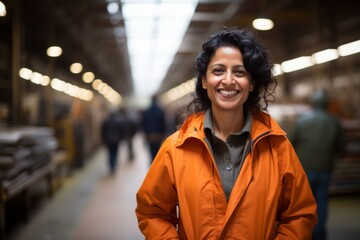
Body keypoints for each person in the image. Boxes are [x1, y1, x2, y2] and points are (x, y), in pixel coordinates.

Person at [135, 27, 317, 239]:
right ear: (204, 81)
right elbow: (151, 212)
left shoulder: (277, 147)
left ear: (251, 83)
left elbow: (299, 214)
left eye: (239, 72)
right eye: (218, 70)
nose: (229, 80)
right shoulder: (176, 148)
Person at [289, 90, 346, 240]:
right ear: (326, 104)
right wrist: (336, 155)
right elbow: (341, 146)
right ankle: (319, 234)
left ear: (313, 103)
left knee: (302, 203)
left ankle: (304, 232)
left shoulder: (302, 121)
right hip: (325, 168)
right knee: (322, 201)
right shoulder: (334, 121)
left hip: (304, 169)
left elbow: (290, 143)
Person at [101, 108, 126, 175]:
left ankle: (111, 166)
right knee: (115, 153)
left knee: (110, 153)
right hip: (116, 141)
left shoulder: (106, 121)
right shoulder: (118, 121)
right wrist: (121, 138)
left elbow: (103, 131)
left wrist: (103, 139)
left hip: (108, 141)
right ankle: (114, 165)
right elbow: (122, 131)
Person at [141, 95, 166, 163]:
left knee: (151, 152)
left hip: (150, 136)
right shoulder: (160, 110)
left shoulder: (147, 111)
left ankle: (152, 165)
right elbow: (163, 123)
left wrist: (145, 134)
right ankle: (156, 166)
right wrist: (163, 134)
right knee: (157, 153)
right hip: (158, 136)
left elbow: (144, 124)